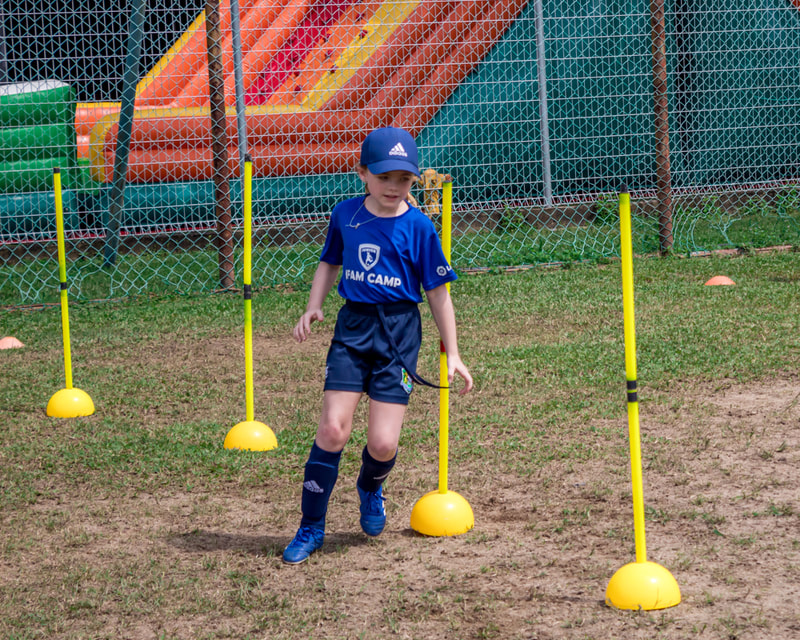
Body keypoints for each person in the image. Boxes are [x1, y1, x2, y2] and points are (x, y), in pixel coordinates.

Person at [283, 126, 474, 564]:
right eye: (384, 177)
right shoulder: (346, 215)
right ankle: (310, 527)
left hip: (399, 333)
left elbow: (438, 293)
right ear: (363, 173)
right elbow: (329, 261)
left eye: (404, 179)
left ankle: (370, 486)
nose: (393, 187)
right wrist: (313, 306)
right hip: (353, 329)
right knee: (333, 429)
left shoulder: (419, 227)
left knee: (384, 443)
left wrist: (454, 352)